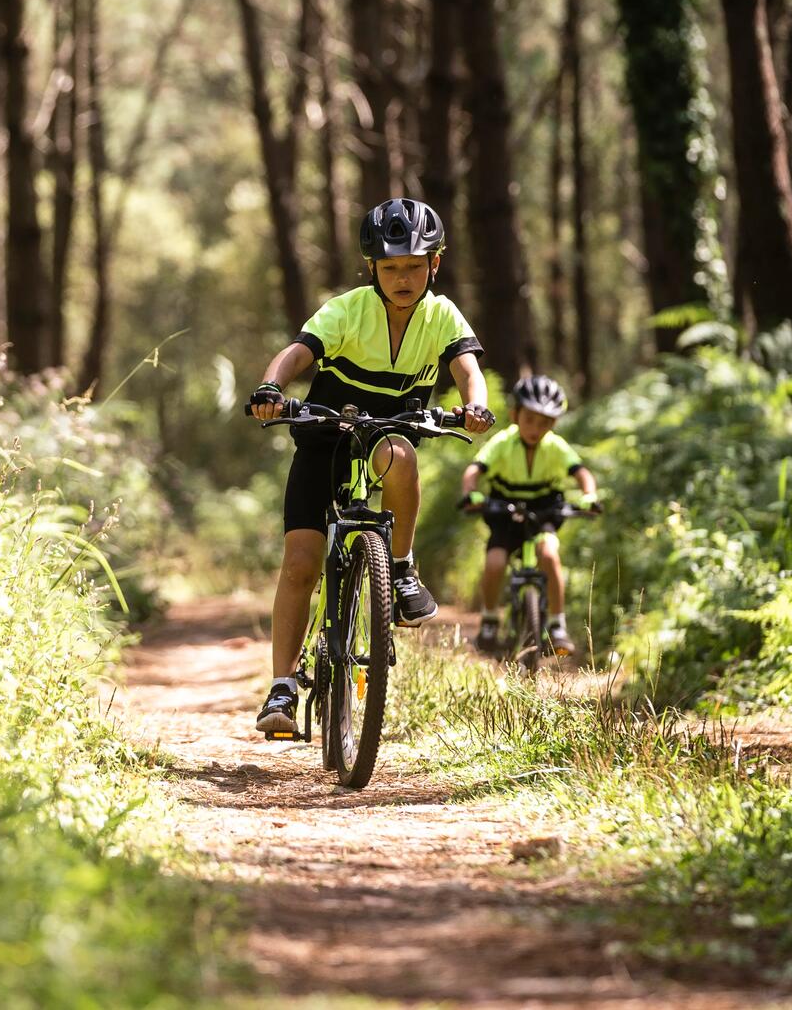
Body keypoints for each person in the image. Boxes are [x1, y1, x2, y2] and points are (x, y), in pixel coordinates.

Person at [247, 198, 495, 735]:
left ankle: (400, 567)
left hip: (389, 434)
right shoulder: (348, 309)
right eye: (390, 267)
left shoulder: (441, 314)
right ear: (372, 269)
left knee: (401, 457)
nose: (403, 278)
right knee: (299, 563)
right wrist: (272, 387)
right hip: (324, 435)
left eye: (414, 265)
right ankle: (282, 687)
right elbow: (297, 352)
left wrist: (474, 404)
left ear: (434, 264)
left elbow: (467, 369)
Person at [458, 375, 599, 655]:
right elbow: (475, 470)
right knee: (496, 562)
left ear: (554, 423)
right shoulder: (502, 442)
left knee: (549, 555)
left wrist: (589, 496)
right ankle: (488, 619)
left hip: (544, 511)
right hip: (504, 512)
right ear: (515, 415)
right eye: (530, 419)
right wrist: (470, 492)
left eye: (545, 422)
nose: (536, 428)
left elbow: (581, 473)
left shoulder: (556, 446)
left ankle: (558, 625)